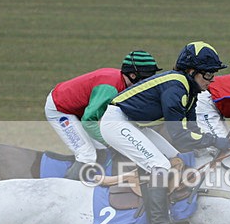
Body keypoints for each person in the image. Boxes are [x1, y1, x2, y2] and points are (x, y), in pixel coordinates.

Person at [99, 41, 230, 224]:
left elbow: (192, 129)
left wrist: (211, 143)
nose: (212, 80)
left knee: (175, 157)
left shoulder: (190, 90)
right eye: (208, 74)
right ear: (192, 71)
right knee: (159, 165)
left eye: (213, 74)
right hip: (116, 122)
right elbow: (180, 136)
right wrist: (214, 140)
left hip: (131, 123)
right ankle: (158, 222)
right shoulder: (176, 87)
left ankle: (166, 205)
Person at [45, 50, 161, 180]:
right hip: (60, 110)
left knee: (101, 151)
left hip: (79, 109)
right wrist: (110, 143)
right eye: (146, 78)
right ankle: (65, 191)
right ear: (133, 75)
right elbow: (88, 121)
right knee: (87, 155)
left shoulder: (123, 81)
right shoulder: (110, 89)